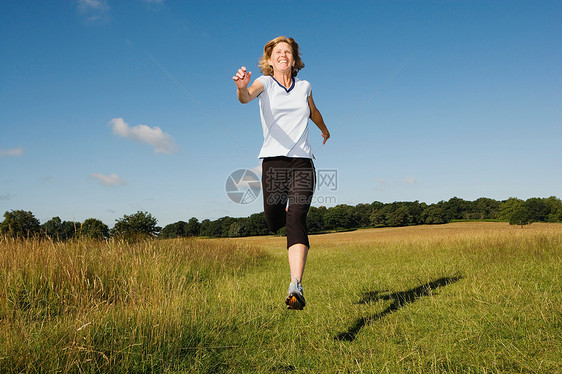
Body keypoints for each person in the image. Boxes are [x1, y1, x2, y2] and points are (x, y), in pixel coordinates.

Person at [233, 36, 330, 310]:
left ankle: (295, 286)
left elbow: (313, 111)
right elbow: (246, 97)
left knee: (297, 216)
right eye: (278, 52)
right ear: (270, 59)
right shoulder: (264, 84)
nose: (283, 55)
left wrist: (324, 129)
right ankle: (280, 221)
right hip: (274, 163)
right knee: (274, 218)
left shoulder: (304, 86)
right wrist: (241, 88)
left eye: (288, 51)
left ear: (294, 59)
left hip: (302, 162)